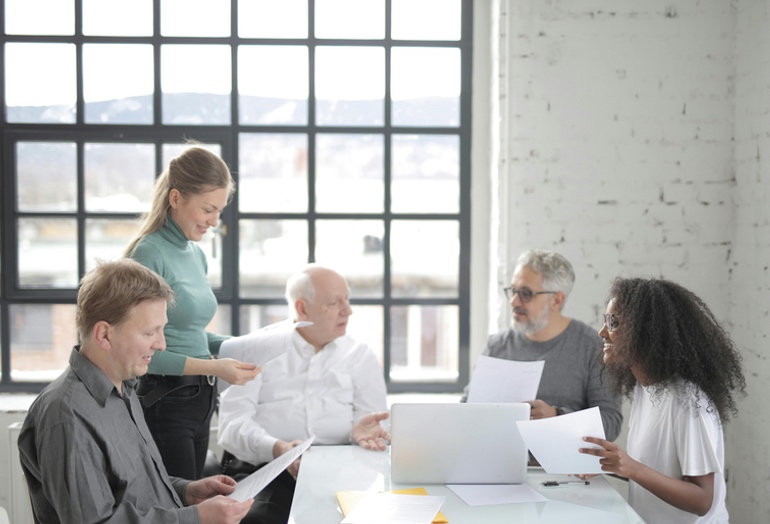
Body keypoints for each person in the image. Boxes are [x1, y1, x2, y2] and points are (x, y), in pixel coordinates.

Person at [17, 259, 254, 523]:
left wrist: (186, 492)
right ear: (104, 335)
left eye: (162, 330)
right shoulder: (66, 416)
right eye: (150, 332)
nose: (162, 344)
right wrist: (193, 518)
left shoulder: (126, 389)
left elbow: (133, 491)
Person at [124, 145, 260, 480]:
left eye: (220, 211)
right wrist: (215, 365)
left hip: (200, 400)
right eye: (208, 209)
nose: (215, 221)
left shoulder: (194, 254)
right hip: (166, 400)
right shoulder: (149, 255)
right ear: (175, 199)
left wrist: (244, 345)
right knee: (181, 509)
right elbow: (143, 353)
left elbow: (191, 336)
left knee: (197, 506)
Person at [218, 264, 390, 524]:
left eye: (347, 299)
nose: (348, 310)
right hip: (267, 469)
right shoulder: (257, 348)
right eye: (334, 303)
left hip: (342, 467)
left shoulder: (360, 354)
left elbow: (374, 423)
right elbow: (231, 427)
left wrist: (360, 432)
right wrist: (279, 450)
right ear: (301, 308)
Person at [579, 277, 746, 523]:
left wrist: (631, 467)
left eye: (613, 322)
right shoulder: (644, 389)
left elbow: (702, 500)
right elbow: (657, 473)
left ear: (644, 331)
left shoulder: (688, 402)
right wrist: (611, 464)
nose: (602, 332)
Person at [463, 249, 622, 442]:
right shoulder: (496, 346)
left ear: (557, 300)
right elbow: (465, 410)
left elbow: (611, 424)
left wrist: (556, 416)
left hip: (564, 469)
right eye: (513, 291)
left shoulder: (591, 347)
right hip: (497, 463)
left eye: (525, 294)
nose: (514, 301)